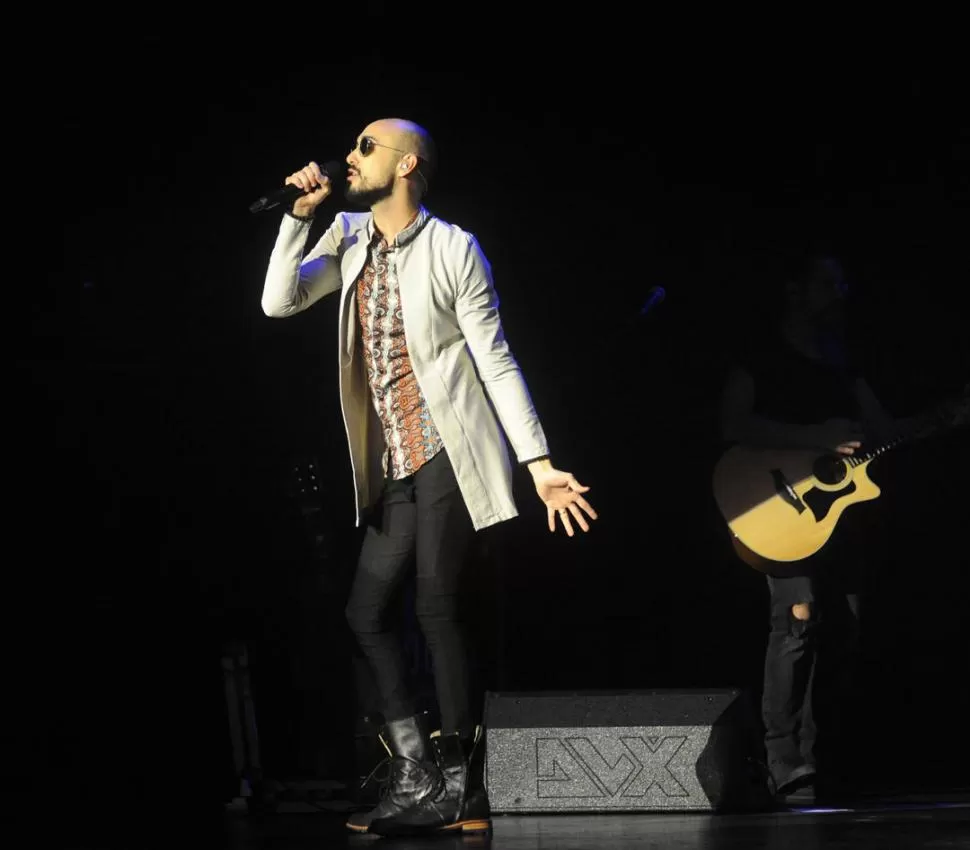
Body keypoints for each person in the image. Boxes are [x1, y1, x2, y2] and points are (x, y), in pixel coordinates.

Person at [259, 118, 597, 837]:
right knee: (365, 613)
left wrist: (537, 463)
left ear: (406, 164)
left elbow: (495, 358)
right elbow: (278, 301)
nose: (348, 158)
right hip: (393, 464)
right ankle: (413, 772)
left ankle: (457, 782)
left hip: (447, 451)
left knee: (437, 607)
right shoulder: (347, 236)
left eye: (364, 147)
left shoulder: (453, 248)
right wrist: (296, 220)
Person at [718, 251, 905, 806]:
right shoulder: (763, 358)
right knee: (797, 621)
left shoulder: (843, 363)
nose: (839, 294)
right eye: (828, 283)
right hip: (780, 509)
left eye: (842, 284)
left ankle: (821, 757)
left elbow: (882, 431)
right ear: (795, 290)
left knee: (844, 627)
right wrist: (811, 439)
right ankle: (783, 760)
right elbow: (732, 423)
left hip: (841, 515)